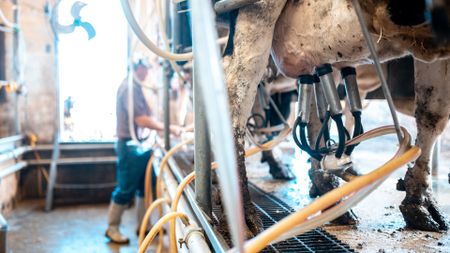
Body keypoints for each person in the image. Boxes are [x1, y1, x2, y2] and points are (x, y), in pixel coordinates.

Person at [105, 59, 182, 244]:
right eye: (145, 69)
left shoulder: (136, 88)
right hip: (130, 146)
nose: (147, 73)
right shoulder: (129, 88)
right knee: (125, 188)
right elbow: (141, 120)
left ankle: (144, 225)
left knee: (144, 187)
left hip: (139, 146)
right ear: (137, 68)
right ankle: (112, 228)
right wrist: (169, 128)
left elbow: (148, 115)